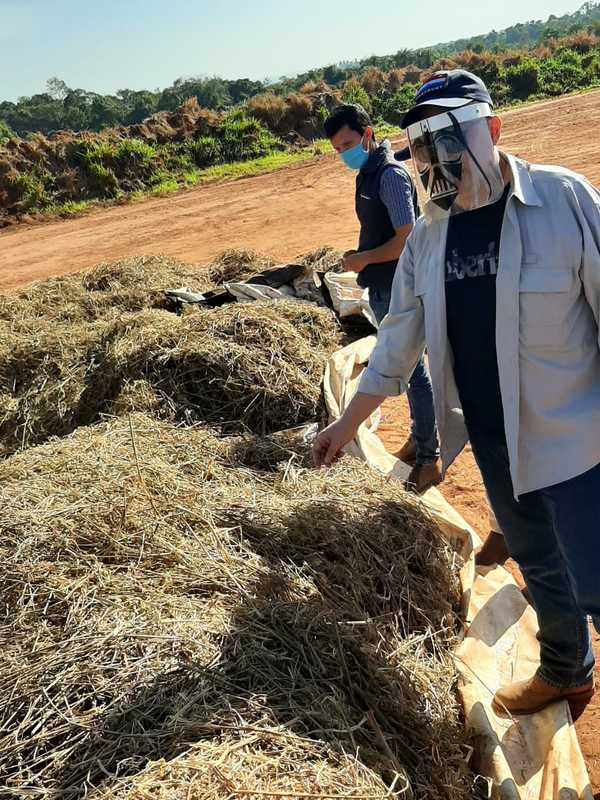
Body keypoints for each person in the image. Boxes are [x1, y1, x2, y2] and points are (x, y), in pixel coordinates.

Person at [313, 69, 600, 721]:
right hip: (496, 443)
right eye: (424, 148)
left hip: (579, 443)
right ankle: (566, 670)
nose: (436, 162)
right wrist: (346, 421)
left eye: (450, 140)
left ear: (492, 129)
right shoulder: (429, 237)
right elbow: (398, 339)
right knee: (541, 564)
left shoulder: (564, 201)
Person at [324, 104, 441, 494]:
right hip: (383, 283)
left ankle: (429, 456)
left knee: (410, 371)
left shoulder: (389, 175)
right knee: (407, 371)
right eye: (338, 149)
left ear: (368, 134)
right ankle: (421, 438)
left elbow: (407, 237)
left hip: (398, 285)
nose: (344, 153)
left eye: (349, 144)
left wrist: (364, 258)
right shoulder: (367, 173)